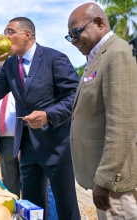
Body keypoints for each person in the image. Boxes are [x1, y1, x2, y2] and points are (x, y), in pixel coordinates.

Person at [0, 17, 80, 219]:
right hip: (26, 147)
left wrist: (48, 115)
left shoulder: (54, 58)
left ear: (27, 34)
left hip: (56, 146)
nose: (5, 36)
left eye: (10, 31)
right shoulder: (9, 65)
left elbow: (76, 95)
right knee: (32, 207)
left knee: (65, 206)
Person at [67, 3, 137, 219]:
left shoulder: (117, 53)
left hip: (115, 184)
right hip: (103, 180)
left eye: (77, 32)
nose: (74, 41)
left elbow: (122, 122)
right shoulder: (96, 58)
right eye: (70, 37)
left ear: (99, 22)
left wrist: (106, 178)